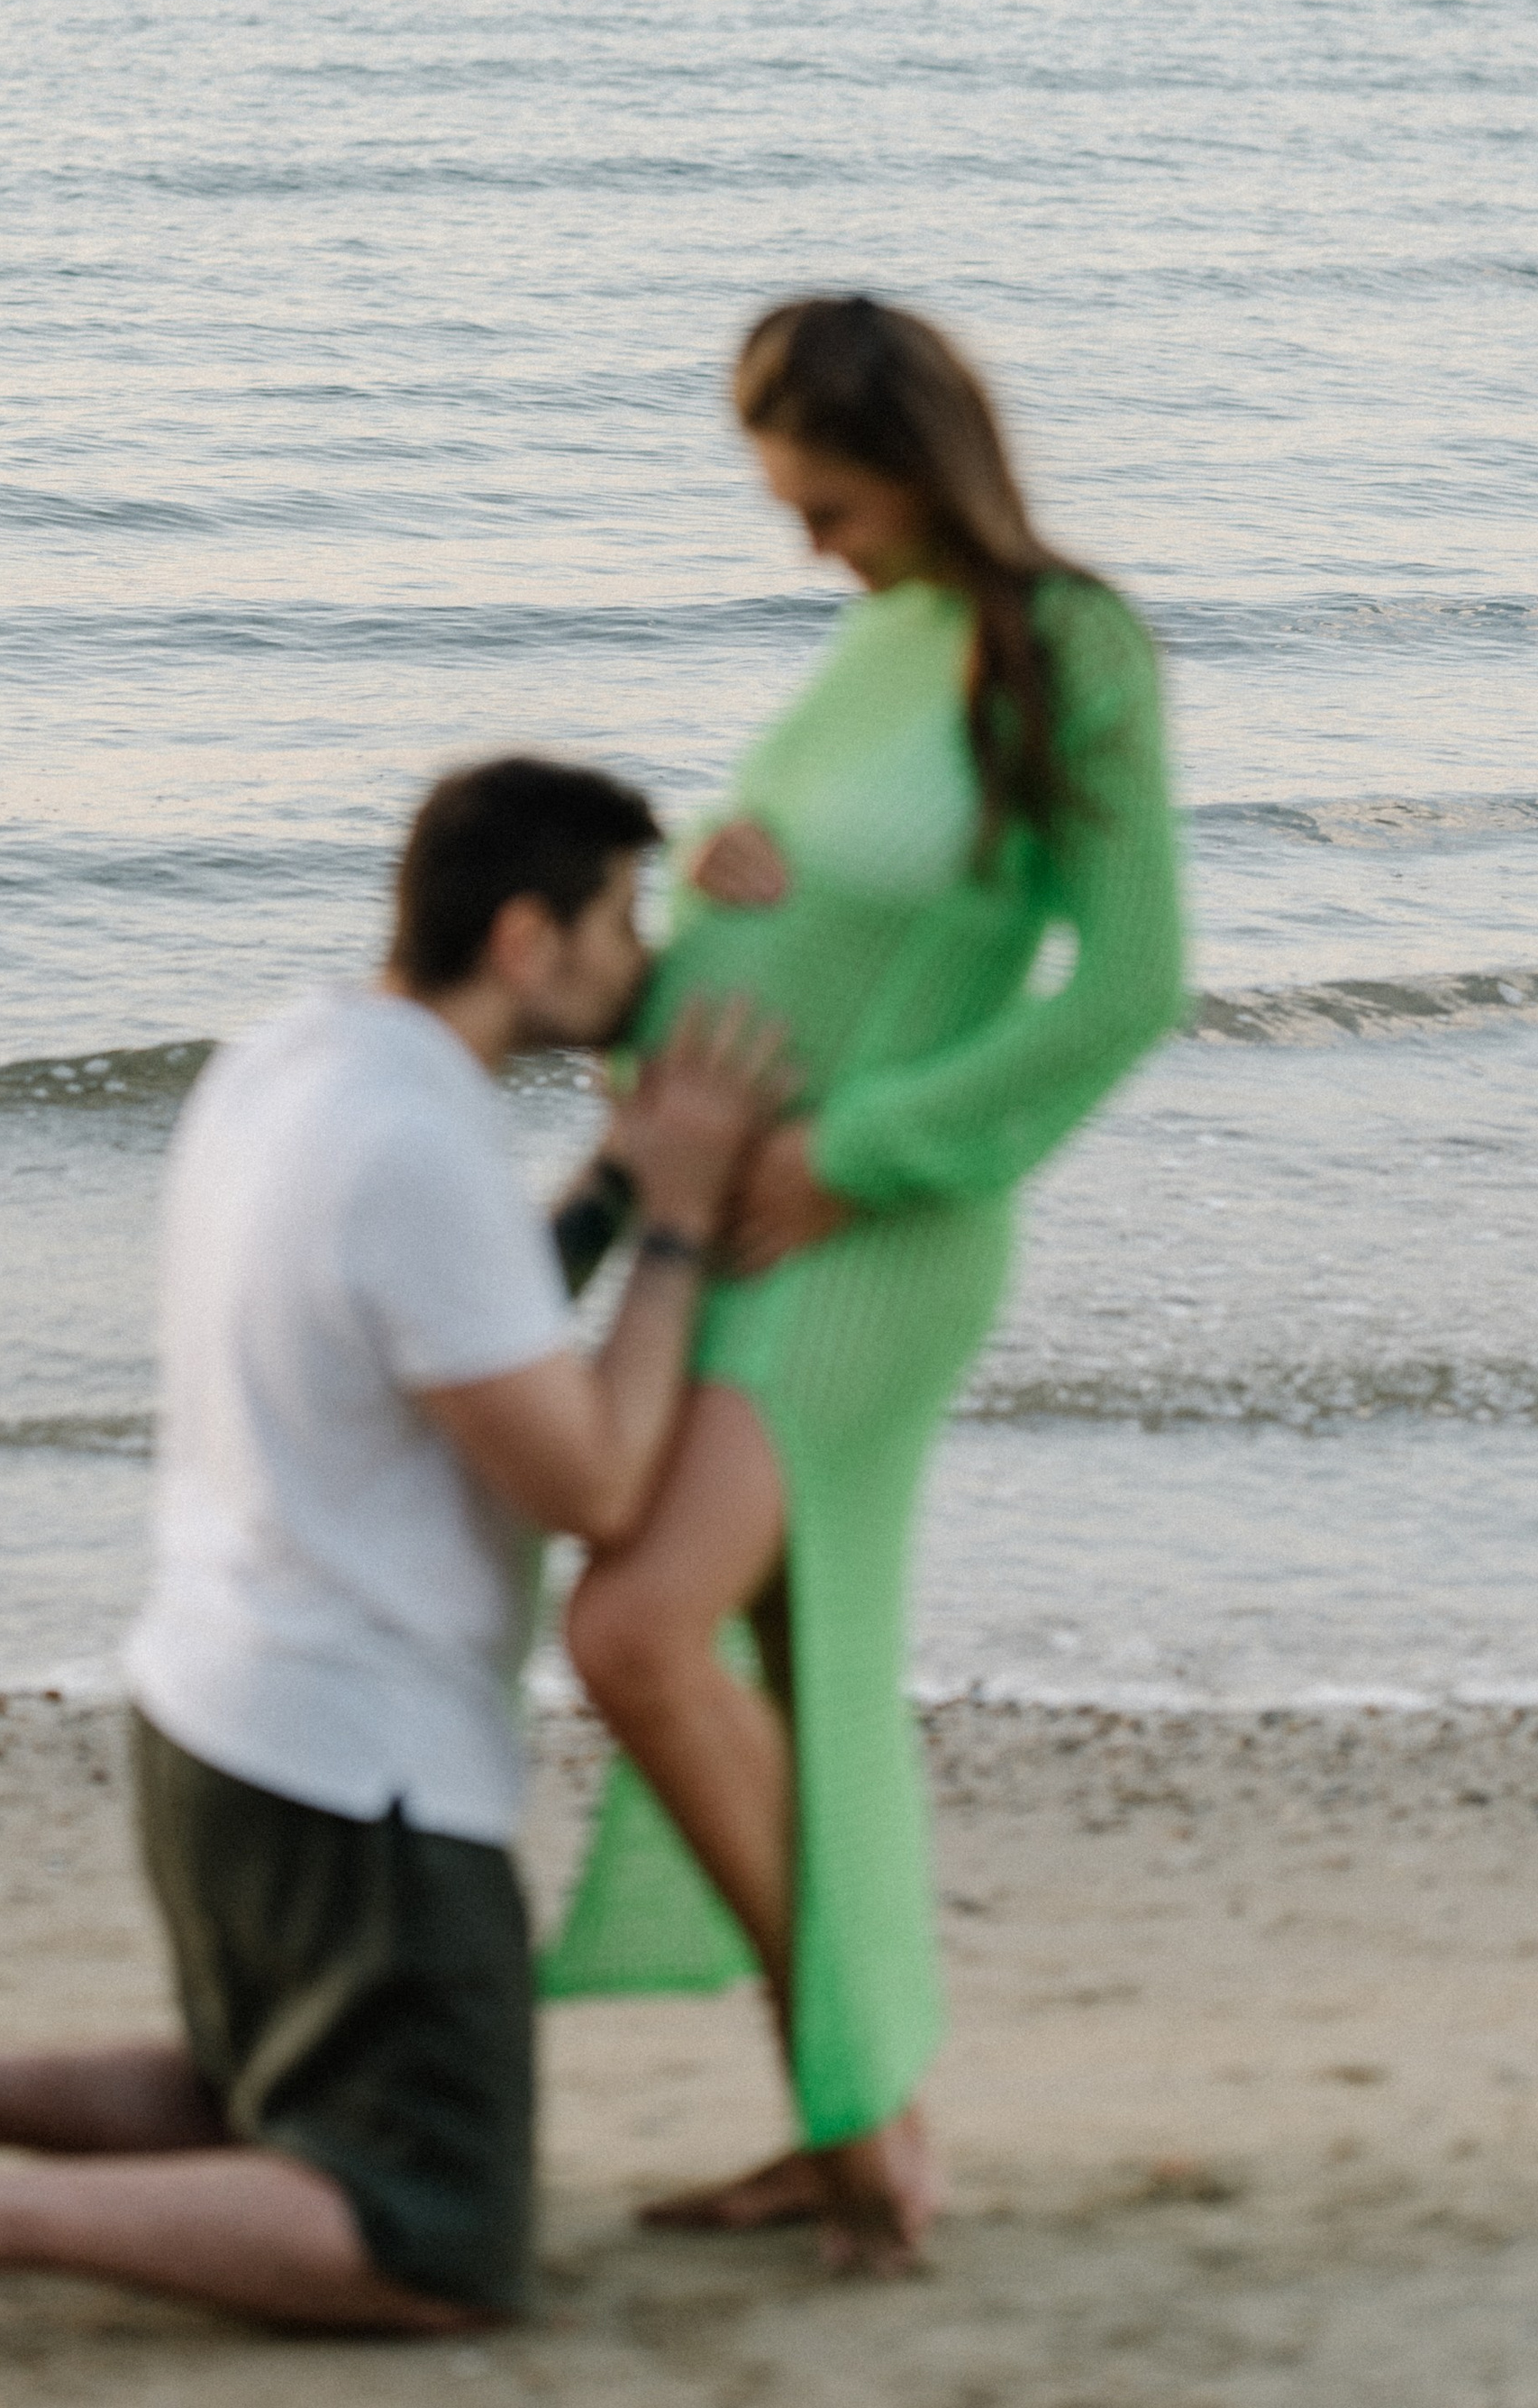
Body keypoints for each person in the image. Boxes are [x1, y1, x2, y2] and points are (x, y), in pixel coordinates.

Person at [0, 754, 790, 2340]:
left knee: (271, 2090)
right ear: (524, 939)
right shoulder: (415, 1147)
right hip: (360, 1769)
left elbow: (463, 1319)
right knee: (433, 2237)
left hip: (215, 1718)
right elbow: (599, 1487)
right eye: (620, 923)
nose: (638, 964)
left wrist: (623, 1179)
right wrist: (683, 1221)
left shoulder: (296, 1057)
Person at [539, 294, 1186, 2270]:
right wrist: (718, 860)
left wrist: (855, 1150)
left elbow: (1127, 985)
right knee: (778, 1680)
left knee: (638, 1628)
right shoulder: (872, 636)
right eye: (787, 511)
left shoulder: (1063, 645)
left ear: (919, 463)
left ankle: (860, 2122)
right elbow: (823, 890)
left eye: (828, 506)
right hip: (728, 1226)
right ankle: (851, 2117)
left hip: (869, 1235)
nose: (809, 546)